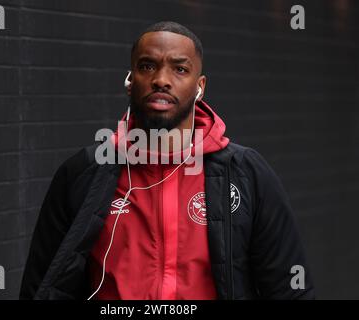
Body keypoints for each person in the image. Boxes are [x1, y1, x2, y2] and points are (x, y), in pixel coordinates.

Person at [19, 21, 314, 300]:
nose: (161, 80)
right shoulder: (83, 173)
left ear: (200, 87)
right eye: (147, 66)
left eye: (179, 69)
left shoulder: (247, 173)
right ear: (130, 80)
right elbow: (42, 285)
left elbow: (288, 289)